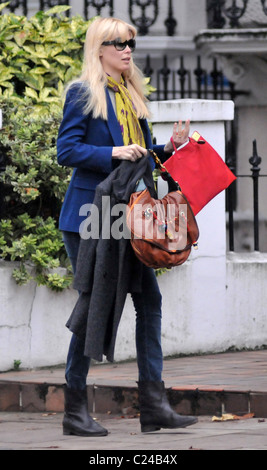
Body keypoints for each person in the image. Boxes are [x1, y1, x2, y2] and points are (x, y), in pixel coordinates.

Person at [57, 16, 197, 437]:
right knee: (92, 308)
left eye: (130, 43)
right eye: (118, 43)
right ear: (99, 49)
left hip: (129, 217)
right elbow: (67, 150)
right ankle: (74, 408)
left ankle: (154, 406)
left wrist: (166, 149)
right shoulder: (85, 92)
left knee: (149, 302)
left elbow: (136, 157)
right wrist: (114, 150)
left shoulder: (130, 95)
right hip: (91, 216)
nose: (127, 50)